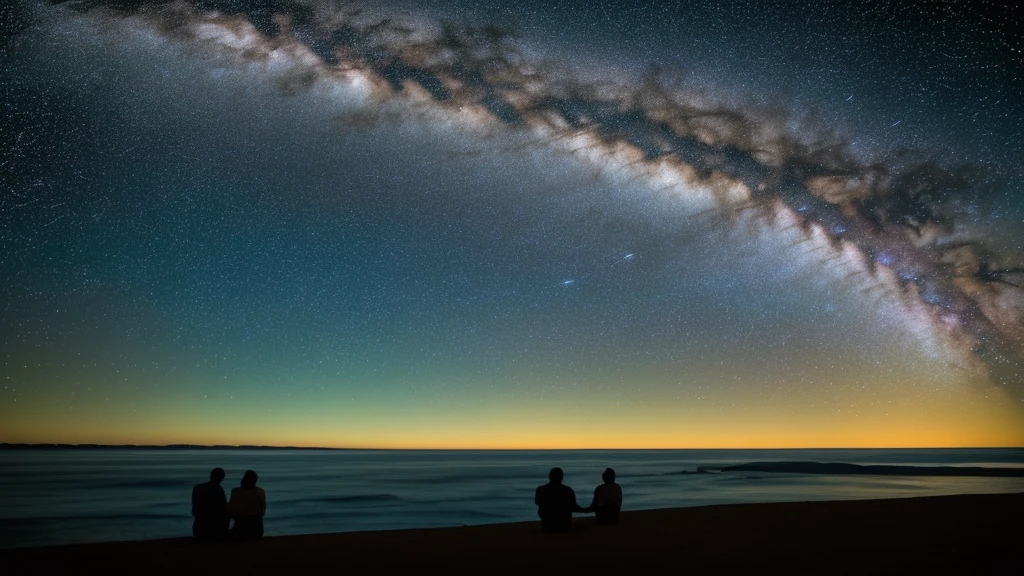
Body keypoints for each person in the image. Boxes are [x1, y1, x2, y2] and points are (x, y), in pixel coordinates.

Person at [534, 467, 584, 533]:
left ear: (549, 476)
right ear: (561, 477)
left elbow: (537, 502)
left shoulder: (540, 489)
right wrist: (586, 510)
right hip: (564, 525)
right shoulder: (567, 490)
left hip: (547, 524)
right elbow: (574, 507)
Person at [191, 467, 229, 539]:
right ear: (221, 478)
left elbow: (194, 507)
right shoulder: (218, 489)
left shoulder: (198, 487)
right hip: (212, 525)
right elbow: (224, 506)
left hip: (198, 525)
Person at [228, 469, 266, 540]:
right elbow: (263, 512)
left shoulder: (235, 491)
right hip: (256, 532)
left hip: (240, 531)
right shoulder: (260, 491)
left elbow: (231, 510)